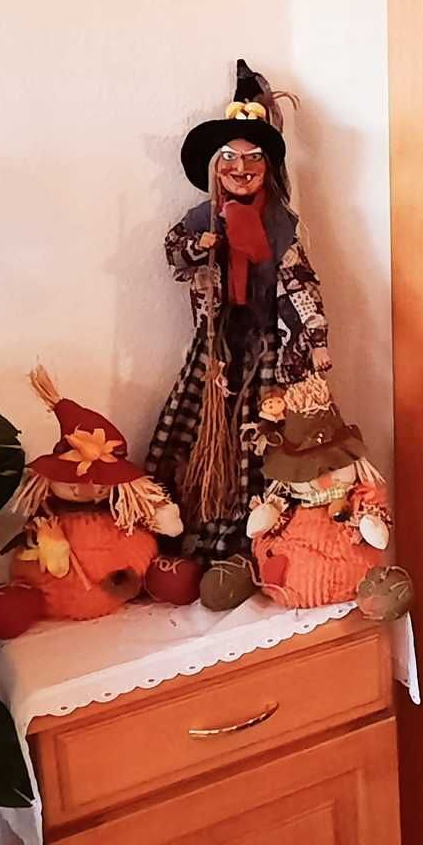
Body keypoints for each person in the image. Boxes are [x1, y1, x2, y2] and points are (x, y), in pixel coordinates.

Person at [144, 60, 333, 563]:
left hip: (266, 349)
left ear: (267, 168)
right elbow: (175, 256)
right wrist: (200, 246)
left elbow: (299, 284)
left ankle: (259, 540)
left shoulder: (281, 226)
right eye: (229, 158)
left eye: (252, 159)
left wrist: (316, 342)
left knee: (265, 437)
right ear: (215, 167)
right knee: (199, 429)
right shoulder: (201, 218)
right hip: (215, 347)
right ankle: (193, 531)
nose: (241, 169)